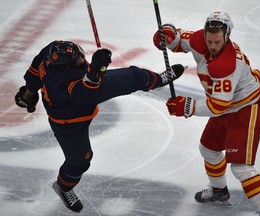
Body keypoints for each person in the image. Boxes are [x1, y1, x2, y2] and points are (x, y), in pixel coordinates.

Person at [15, 40, 185, 212]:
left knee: (133, 77)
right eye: (78, 60)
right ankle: (63, 187)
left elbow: (35, 68)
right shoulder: (61, 83)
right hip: (69, 120)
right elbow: (85, 94)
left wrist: (29, 92)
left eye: (80, 54)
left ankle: (157, 80)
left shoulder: (50, 50)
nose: (82, 58)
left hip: (88, 86)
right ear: (66, 68)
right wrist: (97, 70)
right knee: (80, 161)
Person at [153, 12, 260, 216]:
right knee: (209, 148)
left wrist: (187, 107)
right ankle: (219, 191)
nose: (212, 45)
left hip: (247, 109)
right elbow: (179, 41)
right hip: (228, 107)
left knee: (241, 167)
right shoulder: (200, 39)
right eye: (209, 41)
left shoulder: (227, 64)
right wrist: (167, 36)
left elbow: (218, 106)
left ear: (227, 36)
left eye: (217, 41)